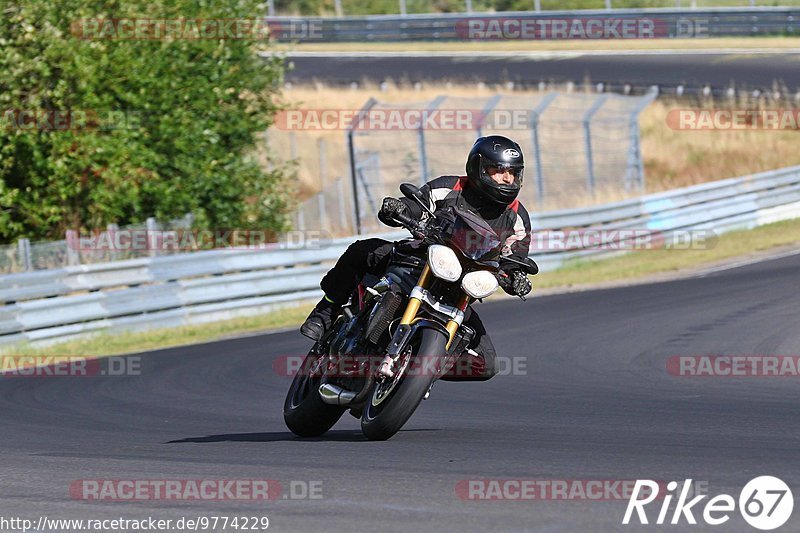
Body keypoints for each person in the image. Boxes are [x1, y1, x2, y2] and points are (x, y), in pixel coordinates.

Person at [300, 135, 533, 381]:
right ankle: (325, 312)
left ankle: (417, 371)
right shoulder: (450, 187)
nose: (507, 179)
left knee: (486, 364)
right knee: (361, 251)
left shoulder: (517, 217)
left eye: (513, 173)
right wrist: (398, 208)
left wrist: (516, 277)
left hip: (460, 290)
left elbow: (515, 257)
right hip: (419, 261)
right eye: (498, 171)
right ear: (478, 168)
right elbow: (417, 204)